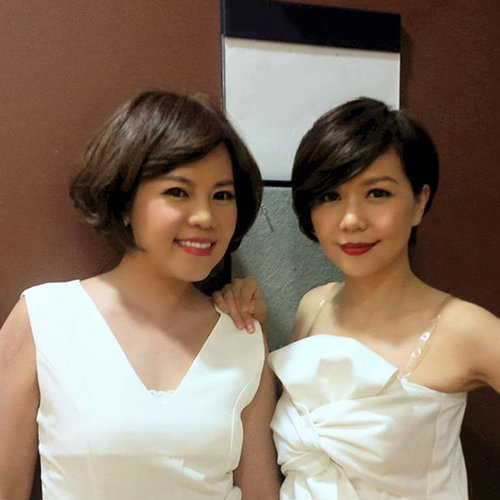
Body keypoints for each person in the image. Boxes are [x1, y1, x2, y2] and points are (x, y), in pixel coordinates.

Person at [214, 97, 500, 500]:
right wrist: (252, 328)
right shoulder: (314, 306)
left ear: (419, 202)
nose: (351, 220)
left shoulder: (463, 327)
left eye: (378, 193)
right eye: (331, 196)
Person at [0, 91, 280, 500]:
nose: (205, 217)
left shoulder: (243, 335)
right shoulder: (44, 318)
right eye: (178, 192)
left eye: (222, 195)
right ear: (125, 201)